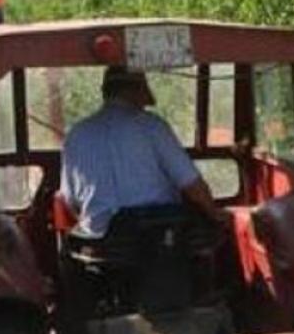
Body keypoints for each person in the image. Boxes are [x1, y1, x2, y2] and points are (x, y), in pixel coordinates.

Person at [61, 65, 225, 238]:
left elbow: (70, 201)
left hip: (100, 248)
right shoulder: (152, 127)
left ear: (105, 92)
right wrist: (215, 216)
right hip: (154, 244)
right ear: (138, 90)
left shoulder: (76, 134)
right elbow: (193, 186)